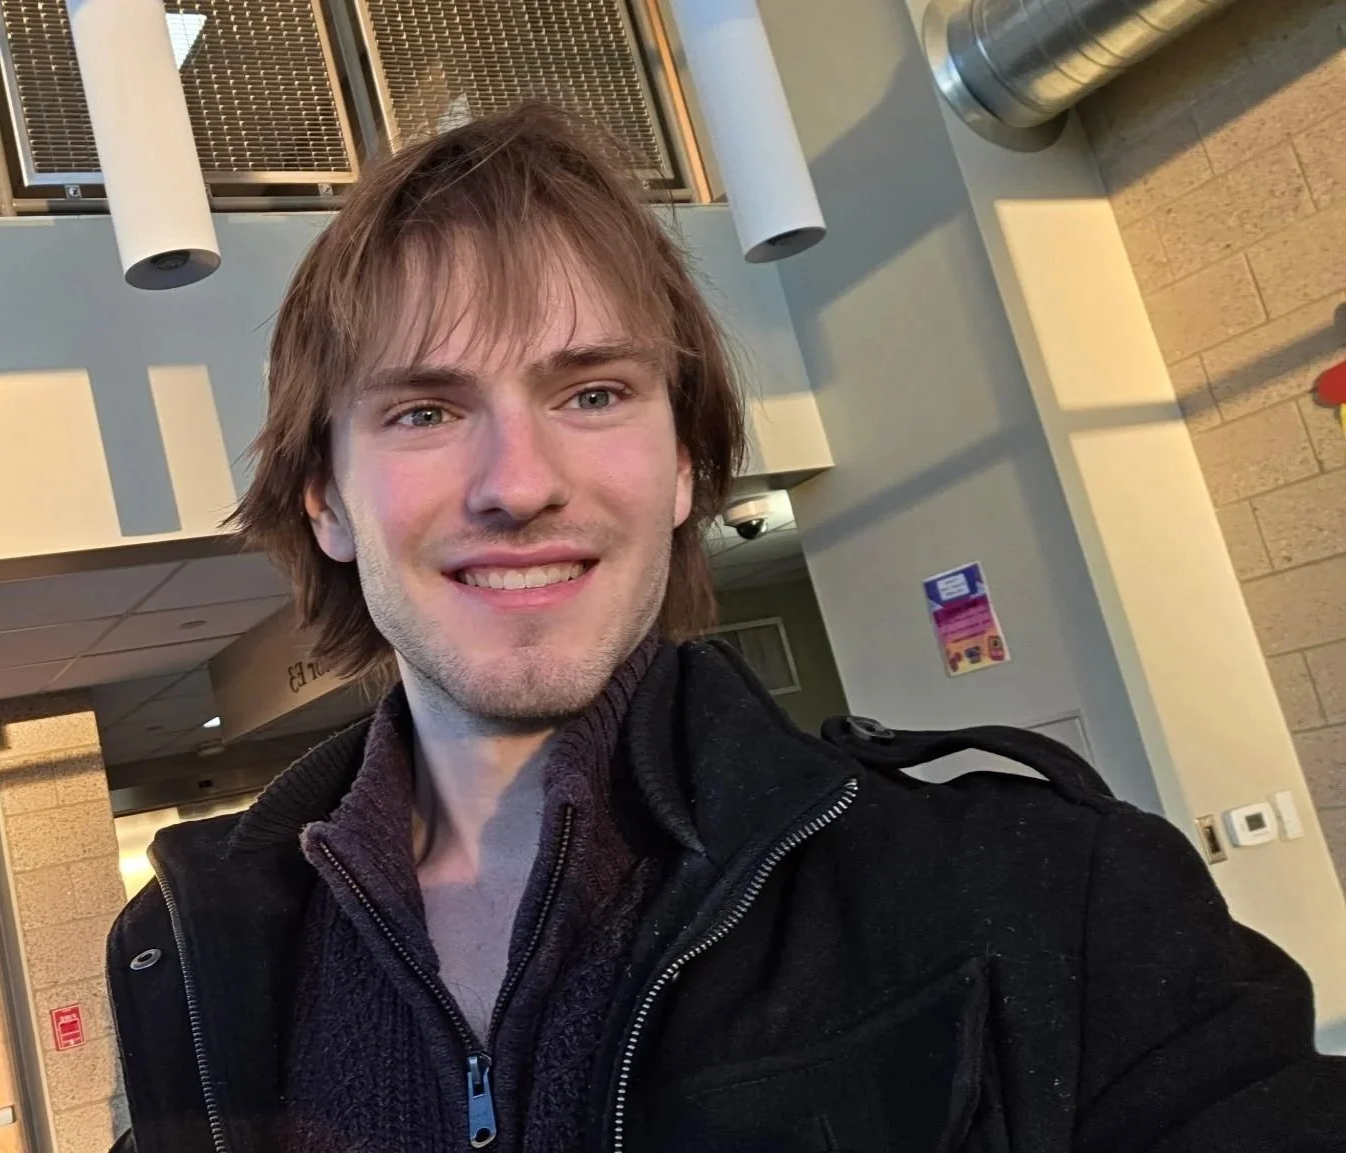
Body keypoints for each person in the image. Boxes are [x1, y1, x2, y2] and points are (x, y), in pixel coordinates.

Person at [105, 102, 1346, 1153]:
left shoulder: (1046, 895)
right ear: (324, 499)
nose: (518, 480)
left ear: (689, 465)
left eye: (592, 392)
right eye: (425, 411)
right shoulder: (192, 955)